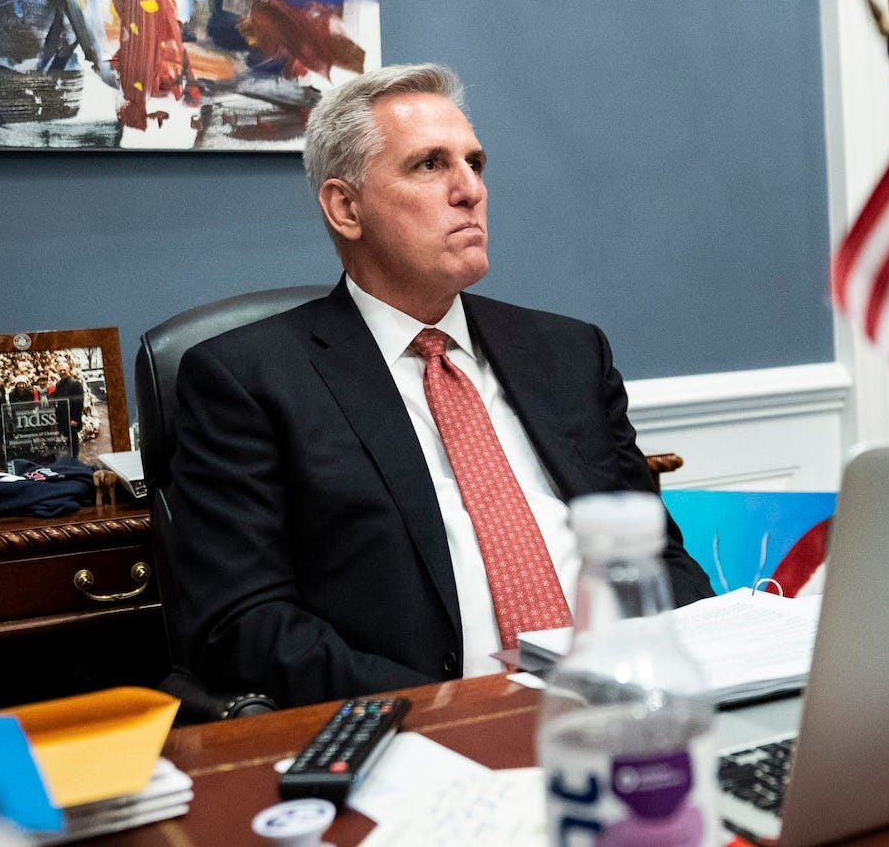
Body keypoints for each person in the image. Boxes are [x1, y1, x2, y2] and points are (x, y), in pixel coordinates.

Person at [165, 63, 713, 707]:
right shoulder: (248, 379)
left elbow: (658, 557)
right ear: (346, 207)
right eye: (430, 165)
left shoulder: (568, 353)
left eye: (475, 164)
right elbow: (245, 626)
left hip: (625, 705)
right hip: (430, 728)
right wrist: (461, 709)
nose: (469, 190)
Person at [49, 362, 85, 463]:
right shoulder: (59, 384)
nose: (62, 372)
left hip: (72, 416)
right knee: (66, 438)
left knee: (72, 438)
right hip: (62, 417)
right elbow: (56, 396)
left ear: (68, 370)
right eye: (60, 370)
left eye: (64, 370)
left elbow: (79, 403)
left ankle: (74, 458)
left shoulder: (75, 384)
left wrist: (76, 419)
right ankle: (68, 458)